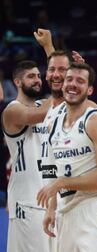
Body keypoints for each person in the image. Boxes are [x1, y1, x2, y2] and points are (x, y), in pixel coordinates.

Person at [37, 62, 97, 252]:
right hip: (65, 212)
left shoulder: (96, 121)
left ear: (89, 90)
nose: (73, 84)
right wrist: (52, 207)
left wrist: (61, 183)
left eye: (80, 81)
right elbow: (57, 170)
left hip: (94, 209)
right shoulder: (53, 123)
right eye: (69, 79)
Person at [1, 60, 51, 251]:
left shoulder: (44, 104)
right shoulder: (12, 110)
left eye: (39, 76)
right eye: (31, 76)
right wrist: (58, 89)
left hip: (48, 198)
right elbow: (35, 115)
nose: (37, 80)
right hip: (27, 202)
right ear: (17, 82)